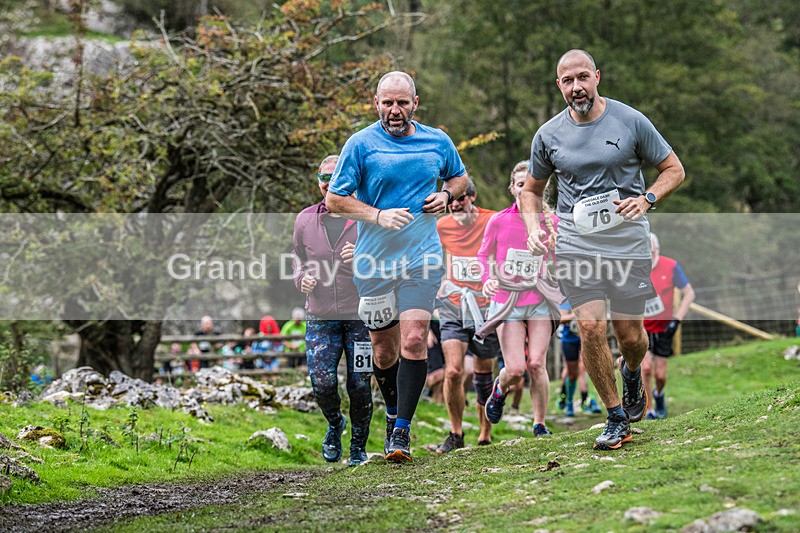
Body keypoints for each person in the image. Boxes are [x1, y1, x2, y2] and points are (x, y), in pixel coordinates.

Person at [520, 49, 685, 450]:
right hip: (576, 244)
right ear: (558, 86)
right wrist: (532, 227)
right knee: (590, 327)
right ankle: (614, 417)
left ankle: (631, 371)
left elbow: (674, 170)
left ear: (597, 77)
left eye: (582, 78)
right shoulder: (548, 135)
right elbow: (531, 191)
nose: (576, 87)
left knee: (630, 336)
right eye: (567, 81)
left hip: (626, 243)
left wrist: (646, 199)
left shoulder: (630, 120)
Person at [327, 71, 468, 462]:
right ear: (376, 104)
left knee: (413, 339)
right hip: (373, 263)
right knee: (384, 352)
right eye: (387, 103)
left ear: (415, 103)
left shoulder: (437, 140)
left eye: (402, 102)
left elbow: (459, 176)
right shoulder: (360, 144)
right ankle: (392, 415)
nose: (394, 110)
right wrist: (376, 215)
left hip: (422, 257)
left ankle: (402, 430)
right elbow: (337, 200)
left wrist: (445, 194)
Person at [291, 154, 373, 466]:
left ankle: (358, 448)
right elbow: (296, 256)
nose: (329, 183)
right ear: (319, 182)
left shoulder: (365, 218)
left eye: (336, 177)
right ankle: (335, 423)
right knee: (322, 381)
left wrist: (363, 259)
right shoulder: (305, 219)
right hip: (320, 314)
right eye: (324, 178)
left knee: (360, 383)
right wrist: (300, 277)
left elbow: (387, 260)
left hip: (360, 314)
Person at [479, 161, 559, 437]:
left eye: (530, 183)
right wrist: (487, 279)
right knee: (514, 369)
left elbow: (561, 262)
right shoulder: (499, 220)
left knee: (537, 363)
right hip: (506, 298)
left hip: (539, 299)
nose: (525, 188)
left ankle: (539, 424)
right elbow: (483, 256)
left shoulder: (552, 222)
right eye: (519, 183)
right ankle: (499, 391)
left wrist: (553, 263)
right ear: (513, 188)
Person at [435, 177, 500, 451]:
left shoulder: (492, 221)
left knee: (484, 374)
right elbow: (433, 256)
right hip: (453, 304)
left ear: (471, 197)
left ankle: (485, 434)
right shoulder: (441, 226)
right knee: (453, 371)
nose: (456, 206)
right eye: (451, 202)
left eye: (460, 199)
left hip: (486, 307)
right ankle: (456, 433)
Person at [641, 233, 695, 419]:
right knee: (646, 368)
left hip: (664, 328)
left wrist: (677, 319)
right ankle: (648, 410)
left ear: (658, 249)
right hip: (642, 328)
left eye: (652, 250)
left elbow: (689, 294)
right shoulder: (634, 268)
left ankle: (659, 394)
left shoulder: (671, 266)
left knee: (660, 375)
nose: (649, 254)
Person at [557, 303, 602, 416]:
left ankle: (589, 400)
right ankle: (569, 402)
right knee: (572, 373)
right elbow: (560, 318)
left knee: (586, 367)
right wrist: (576, 316)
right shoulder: (566, 302)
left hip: (586, 338)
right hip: (569, 340)